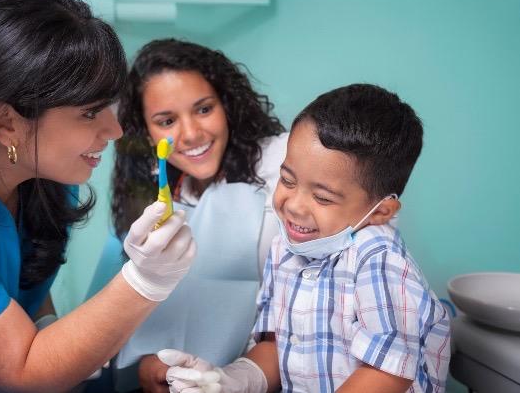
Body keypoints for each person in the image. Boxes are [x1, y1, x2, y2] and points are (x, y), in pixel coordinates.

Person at [0, 0, 196, 392]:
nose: (114, 130)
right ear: (6, 123)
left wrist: (51, 328)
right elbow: (24, 374)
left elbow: (21, 281)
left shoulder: (43, 178)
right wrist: (145, 281)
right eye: (90, 113)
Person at [160, 84, 451, 393]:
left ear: (381, 211)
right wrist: (233, 380)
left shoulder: (379, 261)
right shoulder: (285, 247)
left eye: (323, 198)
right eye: (287, 180)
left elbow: (386, 374)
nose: (294, 206)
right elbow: (277, 346)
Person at [102, 38, 288, 391]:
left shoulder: (284, 165)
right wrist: (151, 363)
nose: (190, 134)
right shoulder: (167, 193)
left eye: (203, 109)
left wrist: (238, 380)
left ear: (227, 105)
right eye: (167, 120)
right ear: (146, 133)